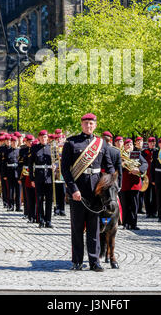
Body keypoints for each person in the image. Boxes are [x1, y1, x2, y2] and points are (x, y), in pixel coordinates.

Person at [61, 113, 115, 272]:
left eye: (91, 123)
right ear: (81, 124)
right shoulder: (71, 143)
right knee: (77, 228)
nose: (88, 126)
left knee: (94, 229)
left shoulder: (101, 143)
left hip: (96, 193)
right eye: (86, 123)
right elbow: (65, 169)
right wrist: (73, 189)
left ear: (95, 125)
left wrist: (111, 183)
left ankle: (94, 261)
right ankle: (77, 261)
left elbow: (109, 167)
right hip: (78, 192)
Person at [120, 138, 148, 230]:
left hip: (135, 184)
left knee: (134, 205)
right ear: (124, 146)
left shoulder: (136, 154)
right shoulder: (121, 155)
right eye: (127, 145)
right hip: (125, 183)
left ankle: (133, 224)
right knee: (125, 205)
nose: (129, 146)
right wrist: (121, 164)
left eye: (131, 145)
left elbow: (145, 163)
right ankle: (125, 224)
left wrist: (139, 169)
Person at [29, 130, 55, 228]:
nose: (44, 139)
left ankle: (48, 221)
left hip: (49, 177)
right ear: (39, 138)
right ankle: (41, 220)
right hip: (39, 177)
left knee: (49, 200)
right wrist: (32, 179)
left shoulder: (51, 148)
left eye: (45, 137)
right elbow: (31, 164)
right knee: (39, 199)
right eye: (42, 137)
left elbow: (57, 160)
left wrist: (55, 166)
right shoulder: (34, 148)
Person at [18, 134, 36, 222]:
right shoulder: (23, 150)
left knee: (34, 195)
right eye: (29, 141)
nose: (31, 143)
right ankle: (26, 212)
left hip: (34, 173)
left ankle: (34, 213)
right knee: (26, 195)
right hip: (25, 173)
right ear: (26, 142)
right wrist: (20, 176)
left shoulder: (36, 149)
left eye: (32, 141)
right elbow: (20, 163)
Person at [3, 135, 22, 211]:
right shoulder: (7, 151)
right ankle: (10, 206)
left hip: (18, 172)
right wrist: (4, 174)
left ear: (18, 142)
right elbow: (4, 164)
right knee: (10, 190)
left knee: (18, 190)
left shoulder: (20, 151)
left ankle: (18, 206)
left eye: (15, 142)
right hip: (9, 172)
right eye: (13, 142)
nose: (14, 143)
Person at [142, 137, 158, 218]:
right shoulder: (144, 152)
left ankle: (154, 211)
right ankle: (148, 211)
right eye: (151, 142)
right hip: (146, 176)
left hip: (155, 176)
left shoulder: (157, 151)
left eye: (154, 142)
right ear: (148, 143)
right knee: (146, 194)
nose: (152, 144)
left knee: (155, 194)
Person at [133, 136, 145, 214]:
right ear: (135, 143)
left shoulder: (144, 151)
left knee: (142, 191)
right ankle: (138, 208)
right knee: (137, 192)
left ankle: (141, 207)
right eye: (138, 141)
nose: (139, 143)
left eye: (141, 141)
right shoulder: (133, 151)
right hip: (135, 173)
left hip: (142, 172)